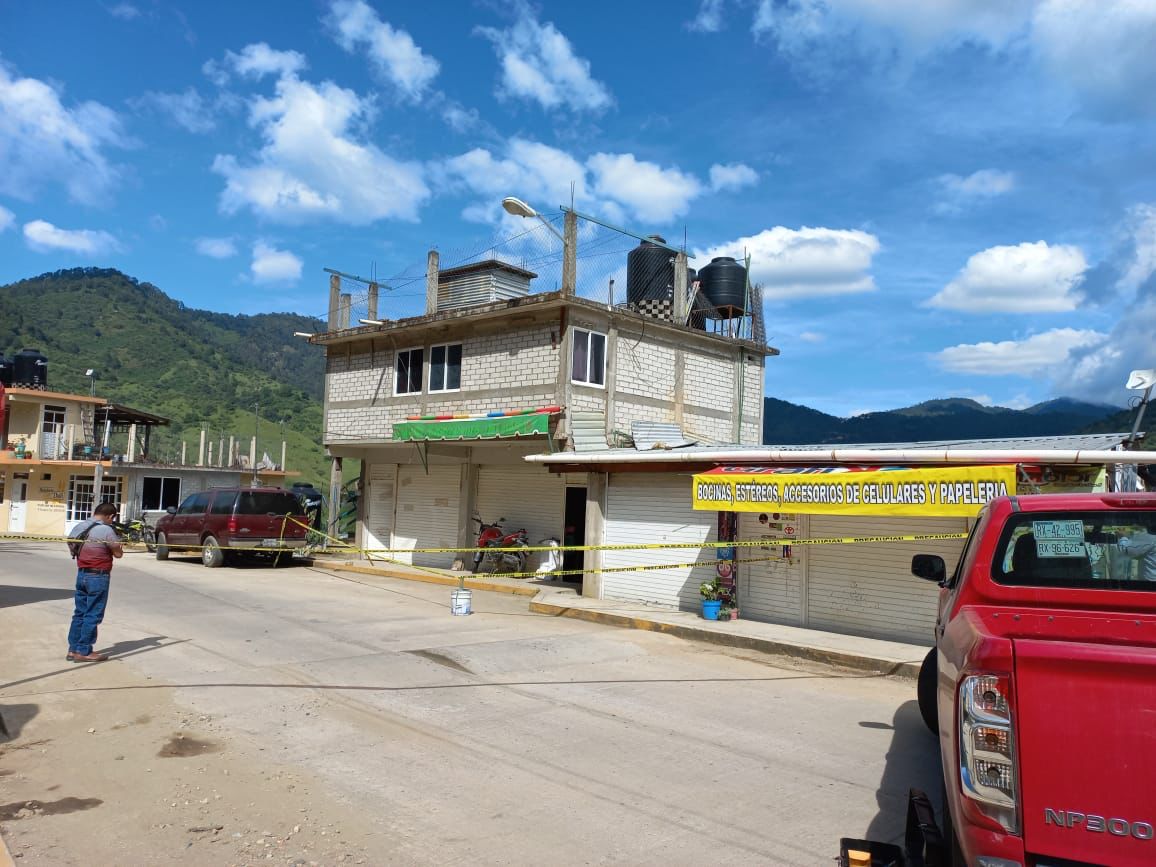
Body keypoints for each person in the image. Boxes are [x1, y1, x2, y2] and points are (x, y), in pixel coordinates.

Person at [66, 502, 124, 662]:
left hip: (82, 574)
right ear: (110, 516)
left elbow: (71, 546)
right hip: (98, 576)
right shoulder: (106, 530)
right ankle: (84, 651)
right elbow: (118, 554)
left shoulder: (79, 526)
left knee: (80, 612)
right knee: (93, 614)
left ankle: (73, 649)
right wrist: (119, 546)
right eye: (112, 519)